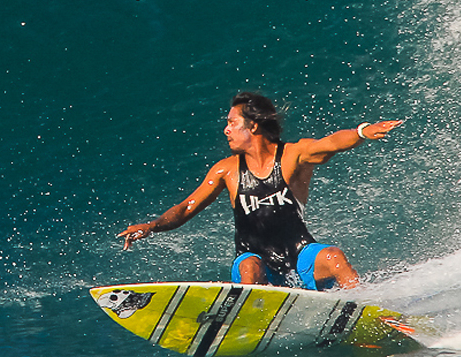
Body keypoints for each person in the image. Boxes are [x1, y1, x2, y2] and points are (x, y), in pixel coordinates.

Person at [118, 92, 403, 290]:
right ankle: (246, 312)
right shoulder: (226, 170)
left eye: (232, 123)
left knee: (333, 256)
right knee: (250, 267)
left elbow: (329, 143)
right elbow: (187, 208)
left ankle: (365, 310)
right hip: (255, 262)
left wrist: (363, 131)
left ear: (252, 125)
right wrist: (153, 226)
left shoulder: (293, 155)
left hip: (300, 254)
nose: (226, 130)